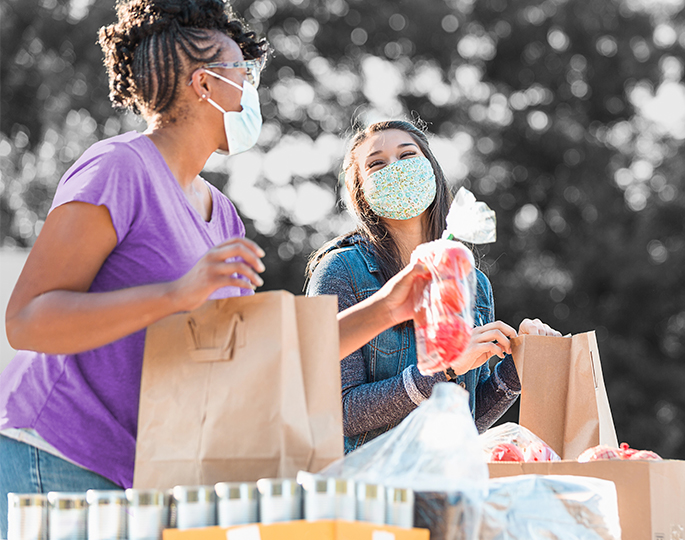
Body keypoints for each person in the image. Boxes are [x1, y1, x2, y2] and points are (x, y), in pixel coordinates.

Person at [0, 2, 426, 535]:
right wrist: (177, 293)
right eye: (242, 75)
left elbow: (251, 361)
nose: (251, 90)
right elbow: (27, 321)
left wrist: (388, 308)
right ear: (204, 84)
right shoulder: (117, 169)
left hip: (136, 472)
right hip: (54, 449)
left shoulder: (222, 216)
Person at [306, 120, 560, 453]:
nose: (395, 169)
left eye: (407, 155)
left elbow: (466, 419)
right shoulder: (341, 271)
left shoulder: (474, 284)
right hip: (367, 492)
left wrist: (517, 370)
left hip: (443, 487)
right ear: (360, 191)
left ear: (432, 171)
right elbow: (336, 412)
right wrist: (443, 370)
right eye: (376, 163)